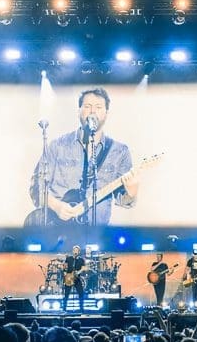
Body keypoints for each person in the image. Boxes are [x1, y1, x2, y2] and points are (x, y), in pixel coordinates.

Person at [29, 88, 138, 228]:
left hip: (96, 236)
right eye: (87, 106)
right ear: (79, 111)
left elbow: (123, 200)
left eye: (98, 107)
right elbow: (36, 188)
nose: (93, 111)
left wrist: (132, 192)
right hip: (57, 231)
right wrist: (56, 206)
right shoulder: (57, 146)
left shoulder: (119, 152)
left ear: (106, 113)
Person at [62, 247, 88, 311]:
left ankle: (81, 309)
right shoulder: (68, 258)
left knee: (81, 293)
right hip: (69, 278)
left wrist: (79, 271)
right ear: (73, 251)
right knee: (66, 294)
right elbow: (64, 268)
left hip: (77, 278)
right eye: (74, 250)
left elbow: (84, 268)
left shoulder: (81, 260)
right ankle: (64, 309)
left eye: (77, 250)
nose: (75, 251)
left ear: (79, 252)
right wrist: (65, 274)